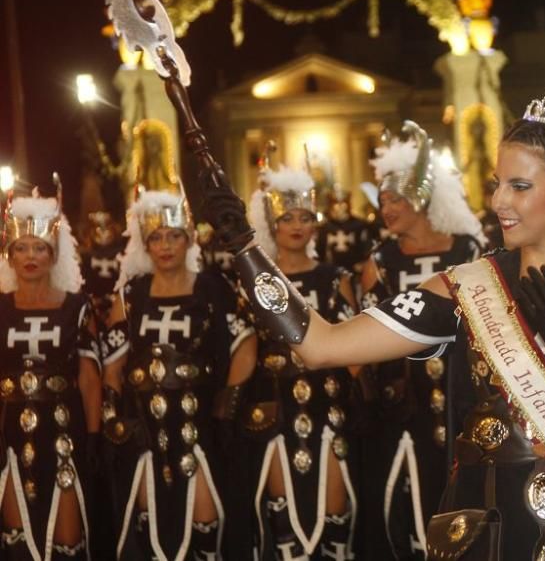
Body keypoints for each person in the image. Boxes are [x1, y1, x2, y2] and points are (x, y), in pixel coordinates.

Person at [202, 90, 545, 560]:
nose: (498, 202)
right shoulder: (468, 286)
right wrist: (247, 252)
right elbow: (321, 344)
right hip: (491, 530)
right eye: (497, 185)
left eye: (519, 186)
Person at [100, 186, 256, 560]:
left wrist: (226, 407)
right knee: (150, 528)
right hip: (146, 432)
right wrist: (113, 420)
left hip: (200, 424)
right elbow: (113, 364)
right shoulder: (131, 295)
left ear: (188, 241)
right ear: (146, 245)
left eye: (174, 236)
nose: (166, 245)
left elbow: (245, 345)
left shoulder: (214, 287)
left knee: (206, 527)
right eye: (156, 238)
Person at [356, 121, 484, 559]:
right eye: (383, 199)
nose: (385, 208)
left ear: (421, 196)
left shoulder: (469, 251)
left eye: (394, 199)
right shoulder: (379, 262)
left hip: (464, 404)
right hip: (401, 411)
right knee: (404, 519)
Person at [241, 160, 360, 560]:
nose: (296, 225)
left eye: (305, 217)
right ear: (271, 222)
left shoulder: (334, 276)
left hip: (328, 406)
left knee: (335, 513)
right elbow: (245, 349)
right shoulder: (254, 282)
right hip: (275, 408)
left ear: (315, 224)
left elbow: (353, 346)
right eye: (287, 216)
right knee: (283, 518)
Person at [0, 183, 102, 560]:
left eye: (40, 247)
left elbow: (89, 377)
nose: (31, 255)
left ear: (53, 254)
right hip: (9, 432)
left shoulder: (77, 306)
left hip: (63, 429)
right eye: (22, 247)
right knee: (17, 533)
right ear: (10, 255)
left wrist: (93, 436)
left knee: (67, 536)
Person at [316, 187, 373, 277]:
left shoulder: (359, 225)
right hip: (331, 273)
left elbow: (367, 247)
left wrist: (363, 263)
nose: (340, 206)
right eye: (336, 203)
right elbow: (320, 251)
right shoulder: (325, 228)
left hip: (355, 272)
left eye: (343, 203)